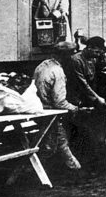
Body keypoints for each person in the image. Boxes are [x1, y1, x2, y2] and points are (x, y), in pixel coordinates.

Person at [33, 41, 82, 171]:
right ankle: (34, 170)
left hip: (37, 108)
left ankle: (73, 166)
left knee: (59, 140)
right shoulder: (58, 71)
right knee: (52, 144)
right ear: (66, 56)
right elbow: (59, 102)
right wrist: (76, 109)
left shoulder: (42, 65)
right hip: (49, 111)